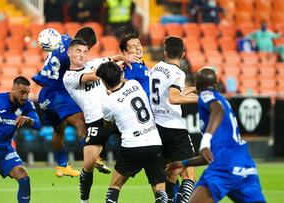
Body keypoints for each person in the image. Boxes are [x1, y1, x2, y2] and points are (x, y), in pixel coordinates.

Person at [166, 67, 266, 203]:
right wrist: (184, 163)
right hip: (245, 165)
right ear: (217, 83)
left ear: (197, 85)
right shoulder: (224, 100)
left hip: (224, 167)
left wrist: (206, 140)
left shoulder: (206, 95)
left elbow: (217, 110)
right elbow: (210, 157)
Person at [32, 27, 111, 177]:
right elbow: (83, 75)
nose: (83, 53)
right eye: (86, 48)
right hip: (57, 93)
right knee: (81, 123)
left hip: (44, 95)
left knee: (59, 130)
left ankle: (61, 166)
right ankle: (95, 158)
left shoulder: (63, 38)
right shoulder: (71, 55)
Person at [97, 61, 168, 203]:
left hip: (132, 146)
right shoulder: (134, 84)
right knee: (159, 187)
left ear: (104, 82)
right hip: (154, 142)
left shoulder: (108, 103)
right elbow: (124, 81)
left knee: (115, 186)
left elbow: (108, 125)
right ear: (120, 75)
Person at [63, 38, 118, 203]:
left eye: (85, 51)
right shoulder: (69, 77)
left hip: (116, 115)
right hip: (96, 121)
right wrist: (107, 67)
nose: (82, 55)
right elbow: (95, 75)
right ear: (69, 53)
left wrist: (124, 57)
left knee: (143, 149)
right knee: (88, 166)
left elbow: (113, 59)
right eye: (78, 51)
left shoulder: (95, 62)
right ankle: (84, 201)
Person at [149, 36, 198, 203]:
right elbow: (174, 97)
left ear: (165, 53)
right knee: (189, 173)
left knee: (170, 172)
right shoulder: (177, 73)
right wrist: (201, 99)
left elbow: (166, 91)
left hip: (156, 127)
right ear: (183, 54)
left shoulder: (155, 68)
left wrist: (193, 89)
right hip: (173, 127)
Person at [119, 27, 150, 98]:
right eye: (133, 46)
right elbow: (127, 87)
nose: (138, 48)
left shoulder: (140, 64)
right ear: (125, 52)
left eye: (139, 44)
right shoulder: (132, 66)